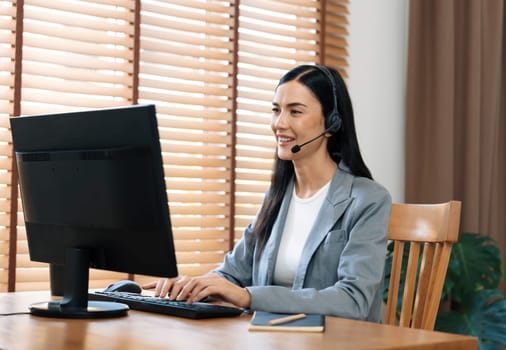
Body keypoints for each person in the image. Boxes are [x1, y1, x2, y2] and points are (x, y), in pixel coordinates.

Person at [143, 64, 392, 322]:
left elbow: (353, 300)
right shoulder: (277, 197)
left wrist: (249, 297)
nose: (279, 124)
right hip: (272, 338)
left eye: (295, 111)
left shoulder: (368, 199)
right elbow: (232, 274)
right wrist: (192, 287)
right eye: (276, 110)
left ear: (332, 123)